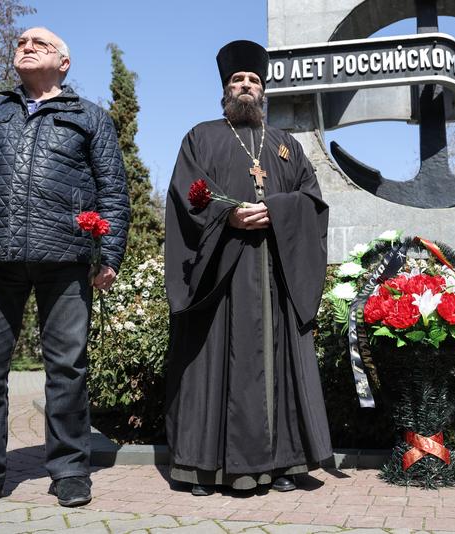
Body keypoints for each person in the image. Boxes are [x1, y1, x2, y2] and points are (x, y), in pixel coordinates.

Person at [0, 27, 130, 517]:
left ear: (63, 62)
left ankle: (68, 470)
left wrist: (108, 255)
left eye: (40, 44)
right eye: (21, 42)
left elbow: (113, 191)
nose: (26, 46)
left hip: (63, 258)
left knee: (66, 369)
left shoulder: (90, 117)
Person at [164, 40, 332, 495]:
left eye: (253, 81)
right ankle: (204, 467)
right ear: (225, 89)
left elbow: (313, 201)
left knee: (275, 365)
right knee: (212, 361)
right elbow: (186, 191)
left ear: (264, 91)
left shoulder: (286, 146)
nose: (245, 86)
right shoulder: (202, 136)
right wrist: (227, 215)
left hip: (275, 273)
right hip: (221, 273)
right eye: (237, 80)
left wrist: (277, 208)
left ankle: (280, 464)